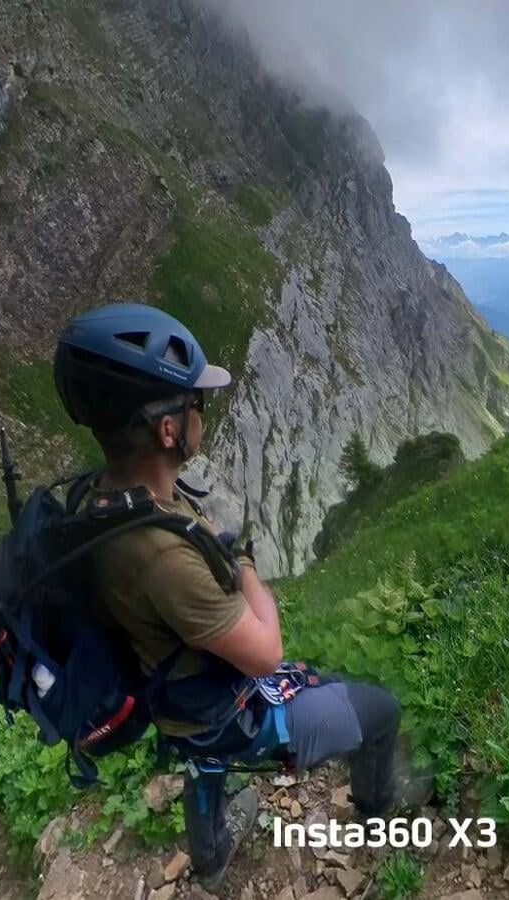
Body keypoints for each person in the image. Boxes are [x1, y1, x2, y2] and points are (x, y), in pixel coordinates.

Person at [51, 302, 425, 889]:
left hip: (172, 701)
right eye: (196, 401)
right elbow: (265, 654)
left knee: (201, 754)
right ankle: (380, 810)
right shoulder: (161, 557)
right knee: (381, 711)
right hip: (224, 713)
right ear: (167, 428)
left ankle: (212, 856)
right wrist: (245, 566)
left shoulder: (105, 502)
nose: (204, 410)